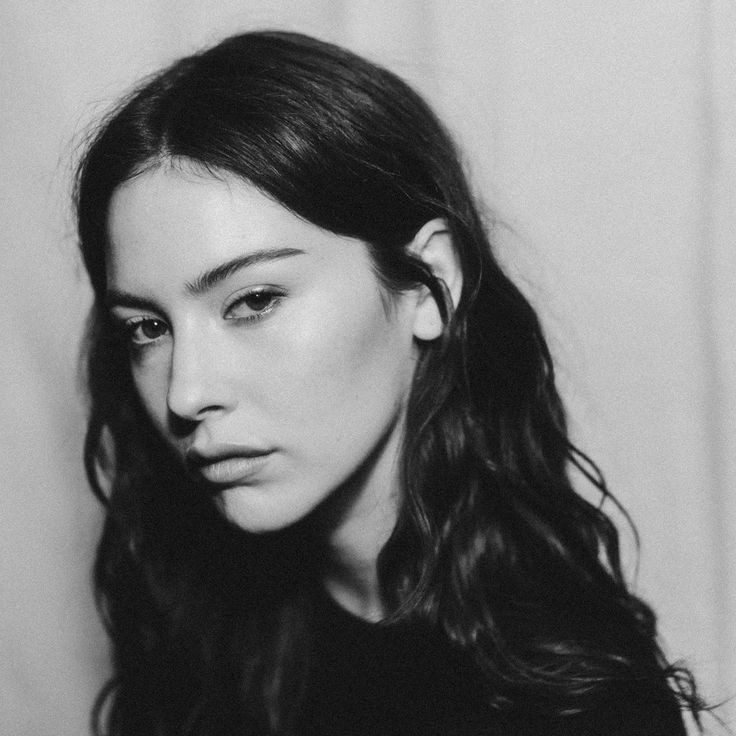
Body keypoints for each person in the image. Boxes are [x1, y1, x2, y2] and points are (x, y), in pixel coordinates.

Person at [75, 30, 704, 736]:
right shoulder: (198, 637)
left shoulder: (567, 705)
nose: (184, 394)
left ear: (430, 288)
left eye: (253, 301)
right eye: (147, 328)